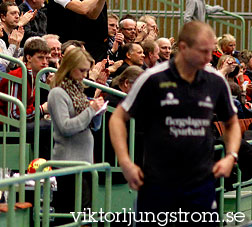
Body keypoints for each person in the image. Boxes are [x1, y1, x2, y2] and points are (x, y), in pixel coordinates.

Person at [110, 21, 240, 219]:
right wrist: (125, 162)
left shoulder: (215, 81)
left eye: (211, 51)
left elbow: (231, 122)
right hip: (158, 182)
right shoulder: (153, 78)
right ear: (183, 47)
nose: (209, 57)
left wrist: (231, 156)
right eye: (203, 51)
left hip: (201, 182)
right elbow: (118, 117)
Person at [48, 47, 104, 214]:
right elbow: (65, 127)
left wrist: (97, 113)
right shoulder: (58, 93)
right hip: (68, 162)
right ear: (70, 68)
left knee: (85, 212)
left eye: (87, 71)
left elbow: (92, 125)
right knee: (69, 213)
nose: (85, 75)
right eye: (82, 70)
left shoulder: (78, 90)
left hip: (84, 161)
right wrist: (90, 111)